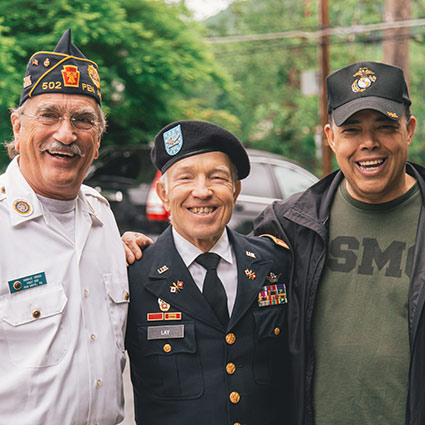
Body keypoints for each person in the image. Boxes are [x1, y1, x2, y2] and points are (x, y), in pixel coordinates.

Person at [253, 61, 424, 425]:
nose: (369, 143)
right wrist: (139, 249)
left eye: (385, 127)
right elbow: (221, 278)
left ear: (408, 130)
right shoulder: (290, 225)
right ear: (331, 137)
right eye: (352, 130)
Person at [125, 120, 292, 425]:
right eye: (185, 178)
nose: (201, 192)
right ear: (163, 193)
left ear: (235, 189)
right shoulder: (132, 276)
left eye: (216, 178)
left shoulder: (277, 265)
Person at [0, 29, 129, 424]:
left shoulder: (102, 218)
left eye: (83, 120)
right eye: (49, 115)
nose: (66, 134)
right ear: (18, 127)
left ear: (98, 137)